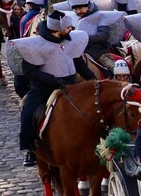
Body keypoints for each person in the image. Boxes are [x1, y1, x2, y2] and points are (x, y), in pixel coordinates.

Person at [12, 12, 88, 166]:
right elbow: (29, 71)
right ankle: (30, 149)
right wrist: (54, 80)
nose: (71, 29)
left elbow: (80, 65)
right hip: (44, 89)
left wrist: (96, 81)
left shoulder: (70, 41)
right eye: (68, 27)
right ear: (57, 28)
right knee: (28, 111)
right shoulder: (34, 45)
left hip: (72, 85)